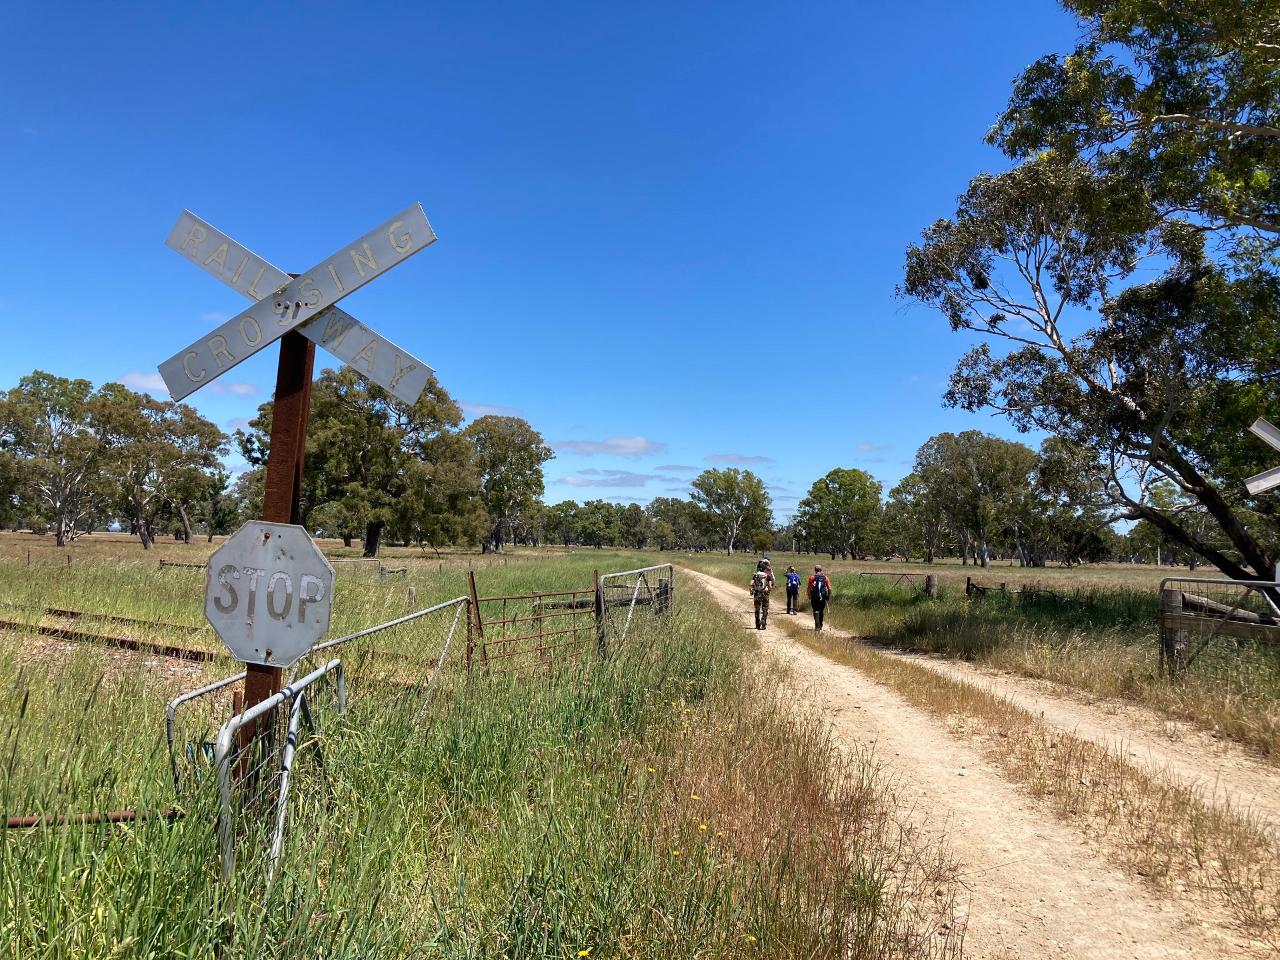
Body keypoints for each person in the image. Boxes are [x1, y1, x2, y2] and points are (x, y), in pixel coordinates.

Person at [749, 559, 774, 630]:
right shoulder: (768, 576)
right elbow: (770, 586)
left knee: (757, 609)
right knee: (765, 608)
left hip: (757, 593)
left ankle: (757, 624)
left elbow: (750, 584)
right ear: (765, 569)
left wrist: (753, 588)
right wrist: (769, 590)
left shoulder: (756, 575)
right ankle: (763, 623)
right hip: (765, 593)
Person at [808, 564, 832, 630]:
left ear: (815, 570)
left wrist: (809, 595)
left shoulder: (812, 577)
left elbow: (809, 588)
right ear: (821, 570)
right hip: (823, 596)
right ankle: (820, 625)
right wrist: (828, 596)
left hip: (814, 596)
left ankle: (817, 625)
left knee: (816, 611)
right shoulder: (825, 578)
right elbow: (829, 588)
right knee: (821, 611)